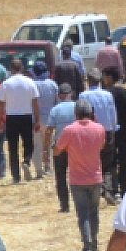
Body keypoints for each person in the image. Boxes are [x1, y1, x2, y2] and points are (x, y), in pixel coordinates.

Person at [55, 101, 108, 251]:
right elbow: (102, 146)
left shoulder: (69, 130)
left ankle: (87, 247)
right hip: (96, 177)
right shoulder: (99, 128)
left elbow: (57, 151)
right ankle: (95, 243)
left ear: (76, 114)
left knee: (83, 213)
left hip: (78, 179)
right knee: (94, 211)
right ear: (91, 113)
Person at [0, 59, 39, 184]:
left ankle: (16, 176)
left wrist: (0, 120)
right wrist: (37, 119)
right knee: (28, 143)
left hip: (11, 117)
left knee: (13, 147)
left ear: (11, 69)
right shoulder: (30, 82)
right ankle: (26, 161)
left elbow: (0, 104)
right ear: (22, 68)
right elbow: (35, 103)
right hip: (26, 116)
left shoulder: (6, 84)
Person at [101, 66, 126, 201]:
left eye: (104, 76)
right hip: (124, 132)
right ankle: (124, 189)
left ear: (110, 77)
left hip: (109, 132)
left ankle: (113, 189)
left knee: (111, 161)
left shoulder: (105, 93)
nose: (103, 79)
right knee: (124, 160)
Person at [46, 84, 79, 213]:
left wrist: (45, 150)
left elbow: (49, 131)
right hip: (76, 147)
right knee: (76, 175)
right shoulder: (78, 106)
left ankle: (65, 205)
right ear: (71, 94)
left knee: (60, 177)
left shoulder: (55, 109)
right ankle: (78, 202)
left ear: (59, 96)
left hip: (60, 146)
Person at [32, 64, 59, 178]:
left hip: (36, 119)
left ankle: (39, 170)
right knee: (48, 144)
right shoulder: (52, 84)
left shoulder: (32, 84)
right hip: (49, 119)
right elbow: (57, 102)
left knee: (37, 145)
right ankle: (48, 167)